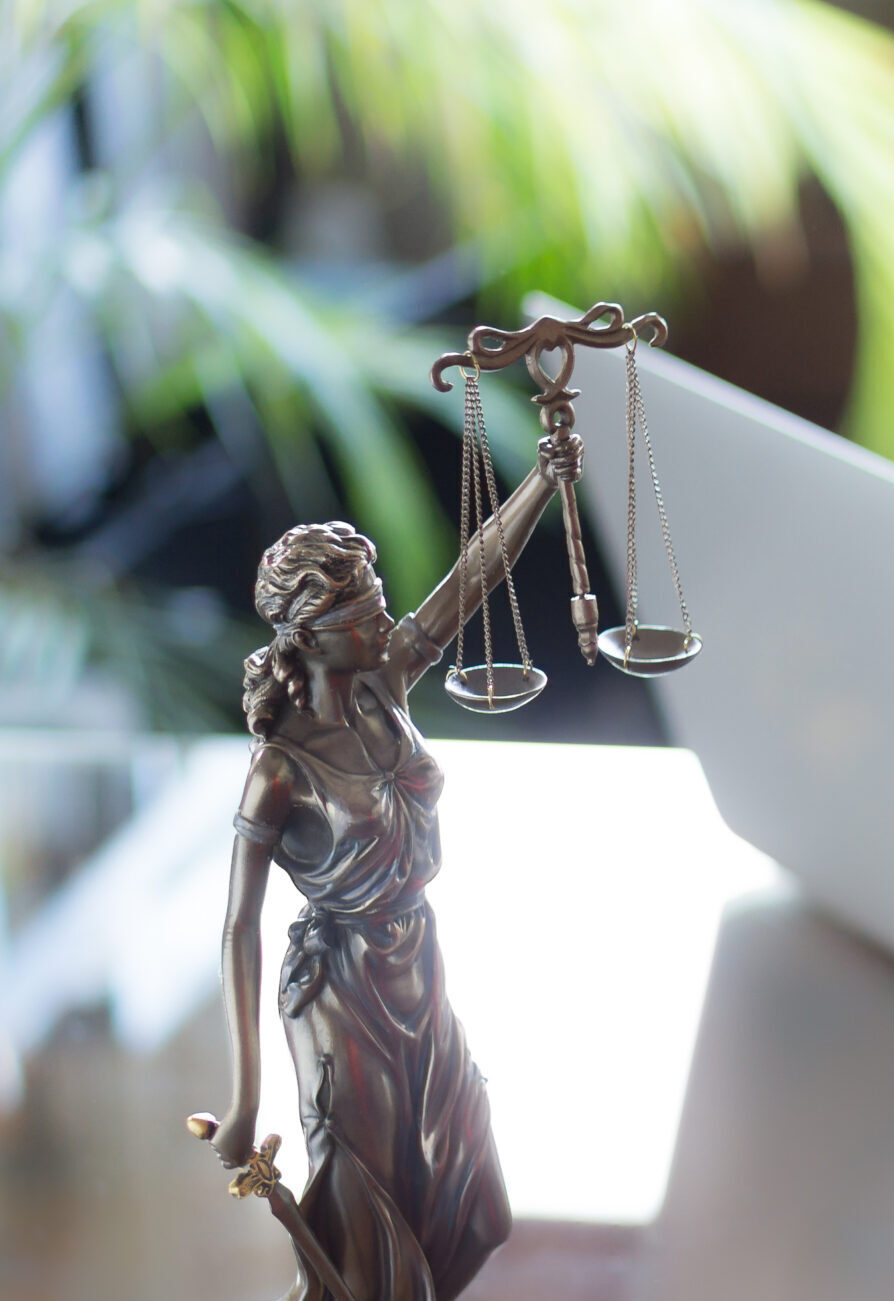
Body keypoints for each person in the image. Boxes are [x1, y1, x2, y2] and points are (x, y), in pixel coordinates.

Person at [205, 435, 581, 1301]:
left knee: (478, 1211)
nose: (384, 624)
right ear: (309, 636)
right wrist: (245, 1096)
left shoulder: (385, 683)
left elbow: (471, 577)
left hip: (419, 964)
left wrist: (543, 480)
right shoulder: (279, 767)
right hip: (340, 993)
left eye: (378, 608)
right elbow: (236, 925)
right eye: (363, 618)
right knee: (372, 1252)